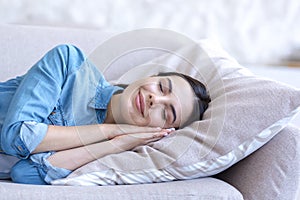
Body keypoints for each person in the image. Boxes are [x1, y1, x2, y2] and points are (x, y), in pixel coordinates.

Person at [0, 45, 210, 185]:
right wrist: (108, 130)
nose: (155, 100)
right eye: (162, 87)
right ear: (151, 76)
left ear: (162, 131)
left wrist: (115, 144)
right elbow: (15, 138)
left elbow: (24, 173)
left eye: (166, 113)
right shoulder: (70, 64)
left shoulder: (120, 155)